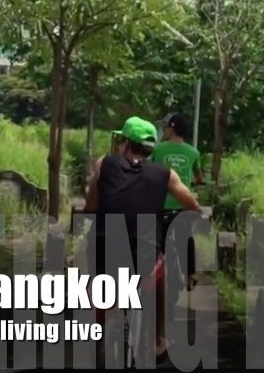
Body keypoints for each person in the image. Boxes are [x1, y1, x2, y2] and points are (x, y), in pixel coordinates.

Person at [84, 116, 200, 359]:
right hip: (144, 257)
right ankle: (158, 340)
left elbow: (91, 203)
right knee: (162, 274)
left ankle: (96, 331)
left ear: (124, 144)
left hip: (104, 251)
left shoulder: (104, 163)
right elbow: (191, 204)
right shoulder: (165, 174)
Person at [151, 113, 203, 288]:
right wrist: (196, 182)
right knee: (187, 239)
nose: (164, 130)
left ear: (171, 128)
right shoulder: (193, 152)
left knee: (156, 243)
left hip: (159, 206)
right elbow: (198, 176)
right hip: (183, 207)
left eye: (166, 127)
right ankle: (189, 275)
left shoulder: (158, 150)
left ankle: (153, 274)